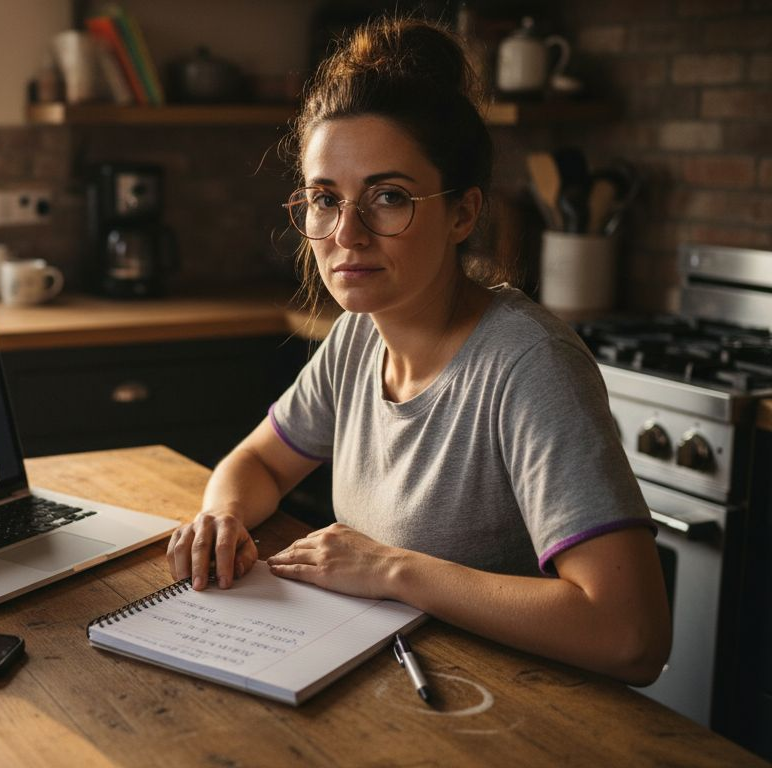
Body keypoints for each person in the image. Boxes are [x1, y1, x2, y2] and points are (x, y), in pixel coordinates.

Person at [165, 17, 670, 685]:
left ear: (464, 213)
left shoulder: (529, 365)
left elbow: (631, 634)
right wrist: (223, 517)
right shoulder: (358, 335)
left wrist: (389, 568)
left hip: (520, 719)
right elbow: (258, 459)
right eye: (325, 199)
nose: (347, 233)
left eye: (389, 197)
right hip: (396, 687)